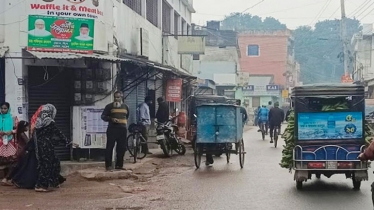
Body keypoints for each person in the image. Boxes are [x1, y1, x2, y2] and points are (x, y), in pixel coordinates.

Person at [19, 104, 70, 192]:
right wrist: (67, 142)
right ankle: (41, 185)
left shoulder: (38, 122)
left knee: (54, 162)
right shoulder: (49, 121)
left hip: (41, 146)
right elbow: (57, 132)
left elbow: (37, 136)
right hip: (46, 147)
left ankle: (53, 182)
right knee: (46, 165)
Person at [101, 91, 129, 172]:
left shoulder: (126, 107)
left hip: (122, 129)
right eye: (115, 97)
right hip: (112, 129)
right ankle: (108, 165)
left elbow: (127, 116)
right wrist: (111, 119)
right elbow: (103, 116)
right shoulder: (109, 106)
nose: (116, 99)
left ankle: (119, 165)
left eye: (118, 97)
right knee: (110, 147)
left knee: (121, 148)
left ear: (122, 97)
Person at [1, 121, 29, 186]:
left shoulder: (19, 133)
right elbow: (27, 142)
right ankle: (7, 179)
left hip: (19, 151)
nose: (28, 127)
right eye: (27, 126)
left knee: (17, 166)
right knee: (19, 166)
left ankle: (9, 179)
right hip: (22, 152)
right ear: (23, 127)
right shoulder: (22, 134)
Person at [0, 102, 18, 182]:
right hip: (0, 142)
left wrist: (11, 131)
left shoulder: (13, 118)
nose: (3, 110)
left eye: (5, 108)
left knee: (11, 159)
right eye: (2, 108)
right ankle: (4, 178)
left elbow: (17, 128)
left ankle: (7, 178)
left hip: (10, 141)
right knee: (2, 159)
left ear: (8, 109)